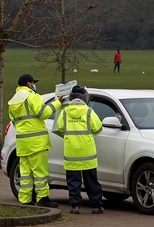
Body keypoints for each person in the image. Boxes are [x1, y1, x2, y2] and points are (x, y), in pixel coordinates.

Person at [8, 74, 64, 208]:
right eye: (32, 83)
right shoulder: (33, 97)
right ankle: (43, 198)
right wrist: (57, 103)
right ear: (28, 83)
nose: (33, 85)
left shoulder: (13, 101)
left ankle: (25, 198)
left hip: (22, 142)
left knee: (25, 172)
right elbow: (43, 113)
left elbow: (15, 122)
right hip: (36, 142)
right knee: (40, 172)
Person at [55, 85, 105, 215]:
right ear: (84, 97)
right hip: (88, 153)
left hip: (71, 152)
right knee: (91, 181)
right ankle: (96, 206)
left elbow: (59, 127)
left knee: (73, 182)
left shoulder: (65, 112)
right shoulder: (89, 111)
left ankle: (75, 206)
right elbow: (98, 129)